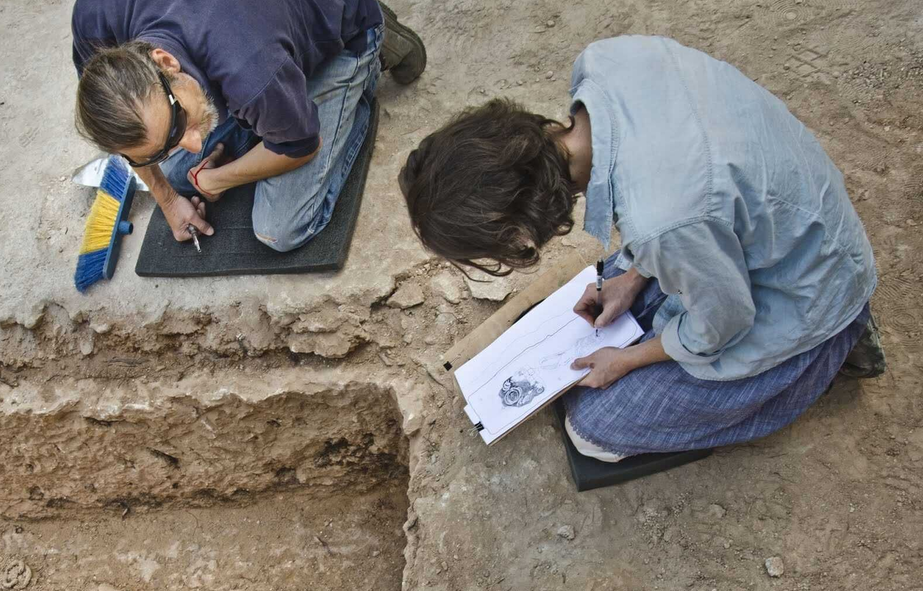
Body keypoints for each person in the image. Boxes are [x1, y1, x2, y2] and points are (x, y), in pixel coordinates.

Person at [398, 36, 885, 462]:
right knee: (620, 291)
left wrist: (627, 360)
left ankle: (824, 353)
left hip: (810, 284)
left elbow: (726, 322)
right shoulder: (602, 63)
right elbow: (674, 202)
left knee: (594, 427)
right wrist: (631, 278)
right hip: (764, 217)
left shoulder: (663, 223)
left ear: (521, 220)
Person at [71, 0, 426, 252]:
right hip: (264, 45)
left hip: (336, 34)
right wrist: (167, 199)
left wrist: (217, 179)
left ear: (165, 62)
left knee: (281, 230)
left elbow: (301, 146)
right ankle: (276, 108)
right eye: (166, 143)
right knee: (176, 174)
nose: (193, 143)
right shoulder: (95, 22)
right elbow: (127, 144)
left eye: (179, 126)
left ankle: (365, 60)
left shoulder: (250, 69)